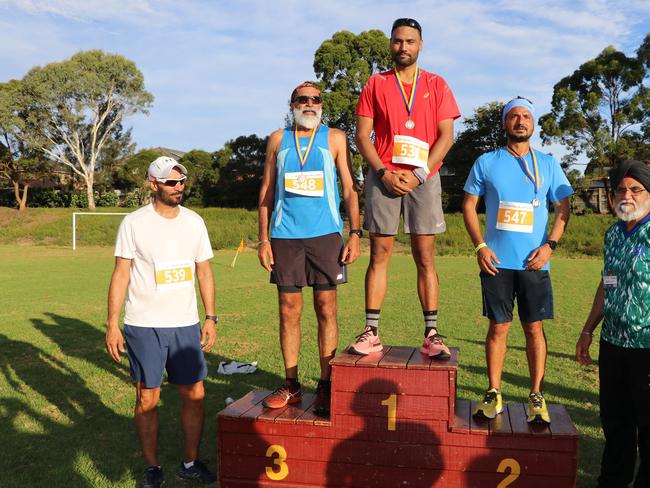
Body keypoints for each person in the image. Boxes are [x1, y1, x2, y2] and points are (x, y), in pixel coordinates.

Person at [348, 18, 460, 359]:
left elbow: (446, 136)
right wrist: (382, 172)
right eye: (398, 41)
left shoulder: (437, 84)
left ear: (421, 44)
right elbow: (361, 136)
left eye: (410, 41)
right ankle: (371, 332)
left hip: (423, 179)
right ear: (391, 44)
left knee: (424, 257)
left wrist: (421, 173)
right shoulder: (375, 84)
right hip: (384, 178)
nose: (403, 47)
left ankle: (431, 333)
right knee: (379, 255)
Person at [105, 156, 217, 488]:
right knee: (147, 397)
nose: (178, 187)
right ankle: (152, 469)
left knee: (194, 393)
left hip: (185, 324)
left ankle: (191, 461)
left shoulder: (195, 222)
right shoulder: (134, 223)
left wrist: (210, 317)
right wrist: (113, 323)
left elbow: (204, 271)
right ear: (153, 184)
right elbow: (121, 273)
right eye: (171, 182)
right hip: (144, 324)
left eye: (181, 182)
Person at [462, 97, 573, 424]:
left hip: (535, 264)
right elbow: (468, 205)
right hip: (496, 262)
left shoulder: (550, 164)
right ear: (504, 123)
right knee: (498, 327)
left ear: (533, 124)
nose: (520, 121)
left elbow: (564, 209)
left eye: (526, 116)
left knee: (534, 328)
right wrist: (480, 246)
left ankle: (536, 395)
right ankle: (494, 393)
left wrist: (550, 246)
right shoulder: (486, 162)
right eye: (514, 116)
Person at [257, 81, 361, 416]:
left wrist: (356, 233)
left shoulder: (335, 138)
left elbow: (348, 188)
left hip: (325, 235)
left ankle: (327, 384)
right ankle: (291, 384)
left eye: (315, 99)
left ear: (321, 105)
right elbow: (266, 192)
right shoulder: (278, 139)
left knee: (326, 308)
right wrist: (262, 239)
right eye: (303, 99)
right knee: (288, 310)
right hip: (285, 237)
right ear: (292, 104)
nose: (310, 104)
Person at [576, 160, 650, 487]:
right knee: (616, 424)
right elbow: (608, 284)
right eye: (621, 189)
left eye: (636, 189)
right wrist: (588, 329)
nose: (627, 195)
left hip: (646, 347)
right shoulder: (613, 234)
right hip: (613, 344)